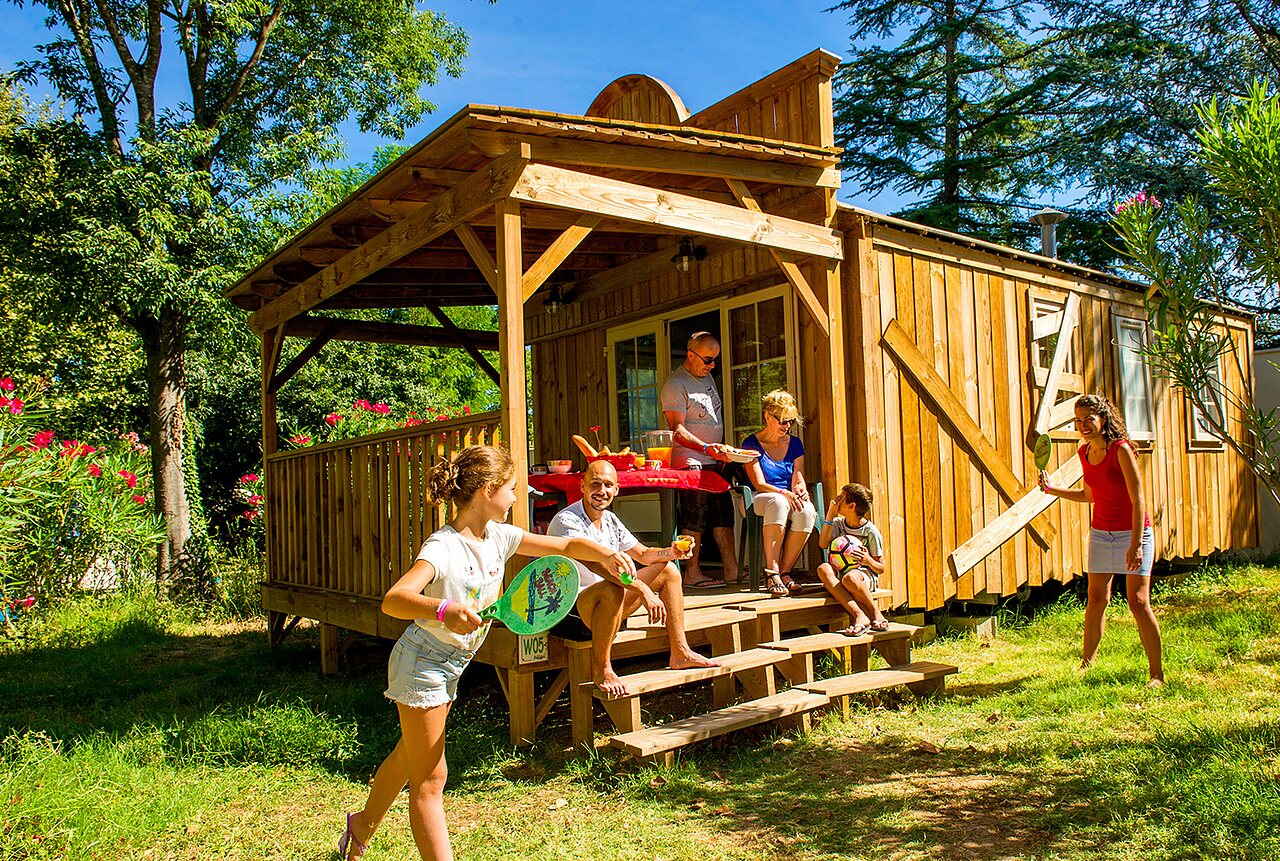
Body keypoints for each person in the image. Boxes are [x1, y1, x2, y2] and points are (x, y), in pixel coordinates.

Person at [338, 445, 636, 861]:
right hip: (423, 661)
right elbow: (394, 599)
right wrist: (442, 609)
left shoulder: (499, 535)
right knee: (431, 779)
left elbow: (566, 547)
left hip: (452, 662)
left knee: (409, 755)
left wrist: (605, 552)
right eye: (512, 488)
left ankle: (362, 824)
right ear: (486, 490)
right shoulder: (444, 547)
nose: (517, 497)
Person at [547, 460, 720, 697]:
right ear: (582, 486)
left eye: (608, 485)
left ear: (617, 489)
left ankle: (680, 652)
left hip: (610, 606)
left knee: (668, 570)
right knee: (611, 588)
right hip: (570, 611)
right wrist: (642, 589)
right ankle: (602, 669)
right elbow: (598, 566)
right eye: (595, 484)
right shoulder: (567, 521)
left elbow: (643, 554)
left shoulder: (610, 520)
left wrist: (671, 552)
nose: (602, 491)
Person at [1040, 393, 1163, 686]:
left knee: (1138, 601)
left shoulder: (1121, 449)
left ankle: (1156, 674)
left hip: (1133, 533)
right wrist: (1051, 489)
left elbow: (1139, 500)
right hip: (1101, 534)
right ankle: (1087, 664)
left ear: (1103, 419)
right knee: (1096, 599)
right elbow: (1089, 495)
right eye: (1078, 420)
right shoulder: (1084, 453)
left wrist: (1136, 544)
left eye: (1088, 419)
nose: (1083, 425)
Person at [661, 331, 740, 588]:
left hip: (713, 458)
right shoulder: (676, 384)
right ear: (691, 355)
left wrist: (720, 451)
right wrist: (707, 447)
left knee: (723, 514)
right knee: (695, 516)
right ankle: (692, 573)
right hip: (690, 460)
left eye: (716, 359)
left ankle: (732, 570)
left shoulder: (707, 377)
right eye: (708, 359)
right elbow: (677, 430)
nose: (712, 365)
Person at [741, 389, 816, 594]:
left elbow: (798, 476)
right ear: (767, 416)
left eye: (791, 421)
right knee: (778, 502)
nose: (787, 426)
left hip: (786, 496)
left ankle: (785, 572)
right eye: (783, 421)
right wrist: (784, 493)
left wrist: (800, 489)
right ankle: (771, 572)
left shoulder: (795, 443)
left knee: (807, 511)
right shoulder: (751, 443)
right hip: (757, 497)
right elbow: (759, 483)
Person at [815, 483, 890, 636]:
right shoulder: (837, 524)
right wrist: (829, 517)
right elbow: (823, 544)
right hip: (841, 572)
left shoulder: (870, 531)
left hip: (862, 576)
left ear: (852, 506)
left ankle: (875, 613)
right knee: (823, 568)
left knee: (850, 579)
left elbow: (881, 568)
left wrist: (868, 560)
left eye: (842, 498)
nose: (836, 500)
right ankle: (859, 614)